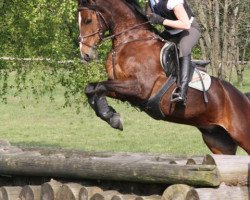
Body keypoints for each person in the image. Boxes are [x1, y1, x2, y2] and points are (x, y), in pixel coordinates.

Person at [148, 0, 201, 105]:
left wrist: (162, 21)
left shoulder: (172, 1)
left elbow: (185, 24)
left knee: (184, 48)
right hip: (170, 33)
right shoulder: (151, 1)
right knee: (151, 44)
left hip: (189, 29)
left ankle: (182, 92)